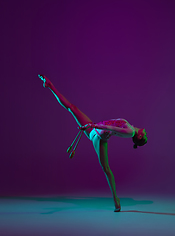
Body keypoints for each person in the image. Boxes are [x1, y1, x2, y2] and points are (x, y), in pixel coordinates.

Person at [38, 74, 148, 212]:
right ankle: (50, 86)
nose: (146, 134)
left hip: (98, 137)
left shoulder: (130, 132)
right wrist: (93, 125)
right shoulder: (130, 126)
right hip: (95, 128)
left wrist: (93, 125)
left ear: (138, 136)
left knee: (106, 169)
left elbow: (109, 128)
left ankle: (116, 200)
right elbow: (108, 123)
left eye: (144, 137)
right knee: (72, 107)